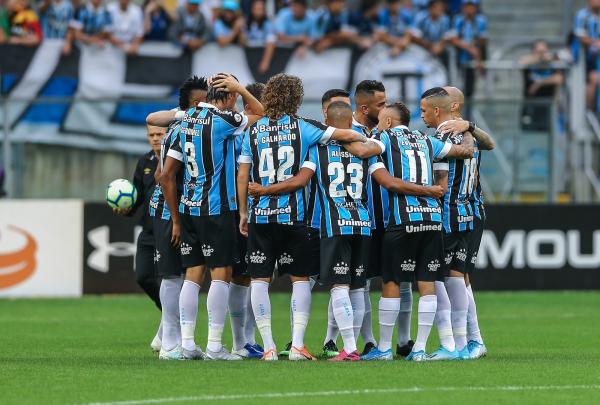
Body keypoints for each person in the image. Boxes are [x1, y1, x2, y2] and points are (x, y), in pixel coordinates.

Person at [236, 73, 372, 361]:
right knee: (300, 280)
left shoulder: (254, 130)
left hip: (261, 216)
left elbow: (243, 175)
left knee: (260, 280)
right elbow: (345, 134)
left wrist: (243, 212)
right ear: (296, 99)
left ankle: (269, 346)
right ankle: (297, 344)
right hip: (295, 217)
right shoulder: (304, 128)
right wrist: (368, 141)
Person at [156, 73, 263, 361]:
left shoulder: (182, 124)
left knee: (192, 275)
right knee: (221, 274)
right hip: (217, 210)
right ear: (228, 97)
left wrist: (176, 219)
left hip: (189, 210)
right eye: (235, 97)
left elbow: (165, 175)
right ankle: (215, 345)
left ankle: (188, 343)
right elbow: (261, 115)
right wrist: (241, 87)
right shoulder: (225, 120)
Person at [362, 100, 473, 361]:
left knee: (391, 281)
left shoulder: (384, 137)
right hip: (433, 221)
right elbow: (464, 151)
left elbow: (375, 162)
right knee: (427, 283)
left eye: (380, 121)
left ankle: (385, 349)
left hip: (403, 222)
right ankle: (421, 349)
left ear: (388, 122)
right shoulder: (427, 141)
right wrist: (467, 128)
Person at [422, 87, 492, 360]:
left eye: (426, 108)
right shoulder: (463, 134)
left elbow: (480, 147)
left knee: (449, 275)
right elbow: (483, 146)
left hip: (458, 211)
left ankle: (462, 342)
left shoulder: (455, 134)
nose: (423, 113)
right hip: (466, 210)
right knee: (459, 276)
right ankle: (470, 341)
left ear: (452, 106)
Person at [149, 76, 208, 360]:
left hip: (190, 209)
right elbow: (166, 178)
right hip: (169, 210)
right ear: (191, 104)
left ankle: (179, 340)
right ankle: (170, 342)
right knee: (172, 274)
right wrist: (175, 219)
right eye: (202, 101)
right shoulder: (178, 127)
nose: (208, 105)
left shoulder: (205, 127)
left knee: (189, 274)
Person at [113, 122, 165, 352]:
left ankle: (172, 324)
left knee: (169, 280)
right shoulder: (145, 162)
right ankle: (171, 314)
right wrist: (127, 209)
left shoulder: (177, 158)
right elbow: (137, 197)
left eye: (159, 134)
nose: (155, 138)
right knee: (144, 276)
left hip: (170, 228)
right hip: (149, 230)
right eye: (151, 135)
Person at [228, 82, 266, 360]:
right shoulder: (238, 127)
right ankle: (240, 341)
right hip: (242, 211)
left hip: (262, 211)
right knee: (243, 277)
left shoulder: (267, 131)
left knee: (257, 278)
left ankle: (247, 341)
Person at [351, 80, 387, 356]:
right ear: (365, 107)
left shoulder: (382, 134)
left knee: (390, 280)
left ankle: (383, 341)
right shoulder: (346, 133)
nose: (385, 109)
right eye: (381, 104)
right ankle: (349, 341)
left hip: (381, 219)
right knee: (352, 283)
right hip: (352, 219)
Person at [519, 40, 564, 130]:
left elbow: (559, 79)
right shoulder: (529, 64)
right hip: (531, 105)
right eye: (539, 52)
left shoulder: (552, 65)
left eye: (544, 52)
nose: (542, 54)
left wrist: (539, 83)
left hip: (549, 106)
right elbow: (521, 62)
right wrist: (540, 58)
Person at [448, 0, 487, 100]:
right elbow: (454, 39)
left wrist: (479, 58)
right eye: (467, 7)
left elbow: (481, 41)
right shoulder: (458, 20)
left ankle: (468, 111)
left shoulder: (480, 20)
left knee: (470, 87)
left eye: (472, 7)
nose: (469, 10)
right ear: (463, 8)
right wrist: (469, 48)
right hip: (460, 55)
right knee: (457, 84)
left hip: (475, 55)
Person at [575, 0, 600, 110]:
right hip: (589, 58)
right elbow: (580, 36)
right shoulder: (583, 15)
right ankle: (588, 111)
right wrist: (595, 43)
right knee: (593, 80)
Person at [244, 0, 276, 75]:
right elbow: (242, 42)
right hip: (249, 59)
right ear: (252, 9)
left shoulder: (268, 24)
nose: (259, 12)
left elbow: (270, 43)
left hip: (261, 57)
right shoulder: (246, 22)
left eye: (261, 9)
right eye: (257, 9)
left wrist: (265, 62)